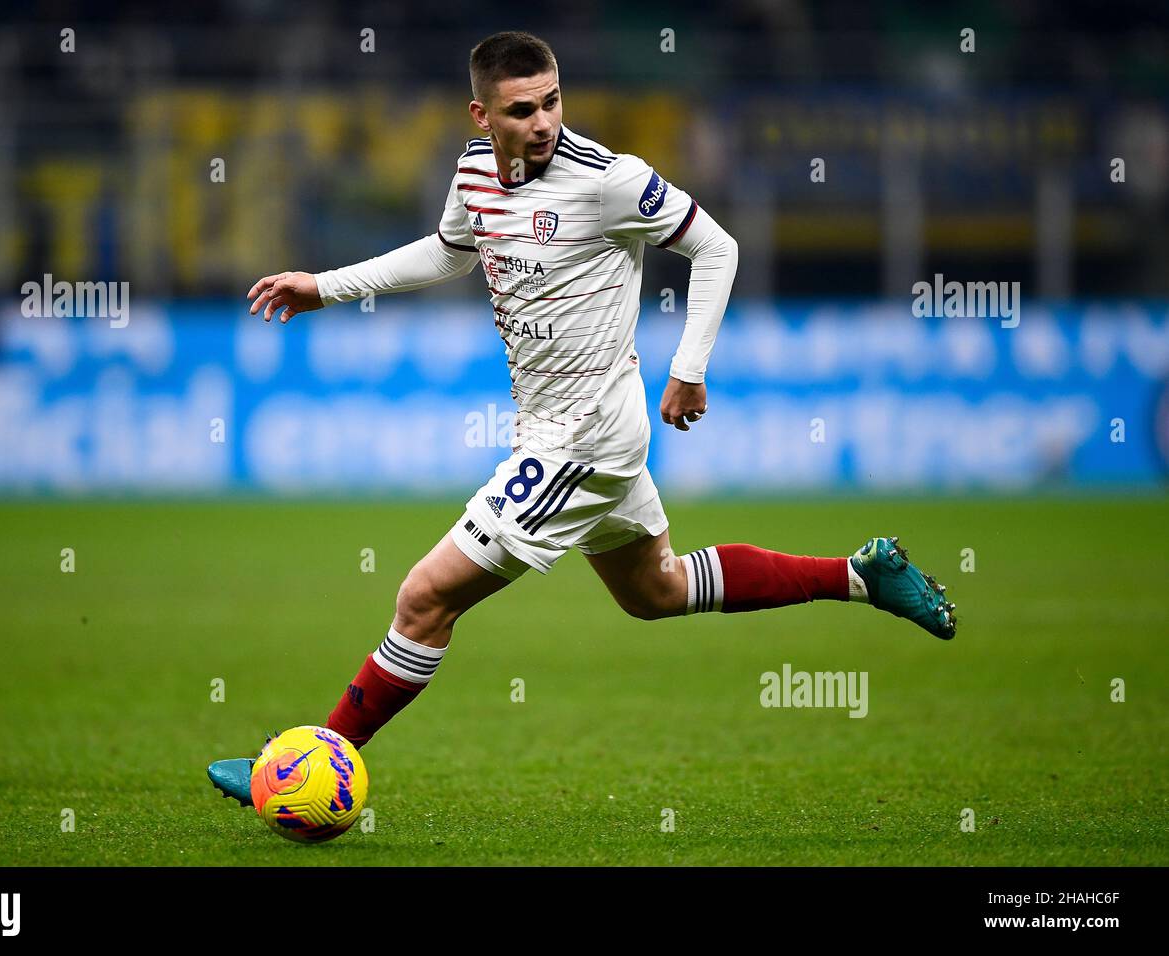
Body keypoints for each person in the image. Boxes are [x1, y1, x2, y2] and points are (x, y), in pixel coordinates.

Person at [209, 31, 955, 807]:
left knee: (424, 598)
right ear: (482, 115)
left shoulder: (609, 181)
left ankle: (300, 768)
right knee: (655, 591)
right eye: (522, 109)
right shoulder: (473, 172)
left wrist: (690, 368)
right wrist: (323, 287)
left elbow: (717, 248)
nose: (542, 123)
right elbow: (446, 252)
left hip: (585, 437)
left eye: (553, 102)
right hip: (553, 426)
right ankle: (862, 576)